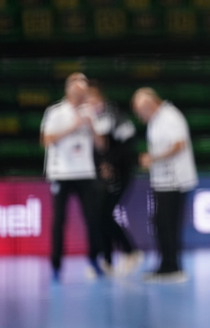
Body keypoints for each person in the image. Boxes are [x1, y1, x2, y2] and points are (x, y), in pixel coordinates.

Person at [41, 72, 105, 282]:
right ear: (68, 91)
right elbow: (46, 139)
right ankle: (56, 264)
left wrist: (92, 126)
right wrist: (73, 127)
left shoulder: (90, 113)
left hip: (85, 172)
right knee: (59, 220)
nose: (81, 95)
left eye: (84, 91)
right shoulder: (55, 112)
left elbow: (101, 145)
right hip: (62, 173)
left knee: (93, 218)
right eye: (77, 91)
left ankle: (94, 259)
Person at [132, 87, 198, 284]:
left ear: (149, 105)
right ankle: (166, 266)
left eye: (140, 111)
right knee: (161, 224)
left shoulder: (170, 117)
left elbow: (179, 145)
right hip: (162, 180)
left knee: (167, 224)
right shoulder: (157, 119)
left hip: (174, 180)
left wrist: (153, 158)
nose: (140, 116)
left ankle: (172, 267)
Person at [86, 83, 144, 276]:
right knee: (100, 216)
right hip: (101, 173)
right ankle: (108, 260)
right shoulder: (89, 118)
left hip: (120, 173)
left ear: (101, 98)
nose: (90, 102)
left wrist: (111, 164)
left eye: (93, 98)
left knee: (103, 214)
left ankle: (130, 251)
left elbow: (127, 144)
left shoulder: (114, 116)